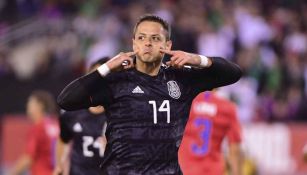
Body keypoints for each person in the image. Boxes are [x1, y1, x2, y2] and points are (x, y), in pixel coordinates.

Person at [57, 14, 242, 174]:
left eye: (155, 38)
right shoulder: (116, 80)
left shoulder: (182, 78)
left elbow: (233, 73)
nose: (147, 43)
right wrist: (106, 67)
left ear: (167, 44)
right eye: (142, 37)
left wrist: (197, 59)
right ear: (134, 43)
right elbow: (66, 100)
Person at [53, 58, 109, 175]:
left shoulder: (120, 114)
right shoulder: (72, 112)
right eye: (96, 77)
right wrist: (60, 165)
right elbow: (63, 140)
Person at [178, 91, 242, 175]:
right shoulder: (227, 108)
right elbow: (235, 151)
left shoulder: (184, 102)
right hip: (212, 170)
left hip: (185, 169)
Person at [10, 90, 59, 175]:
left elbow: (28, 158)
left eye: (30, 102)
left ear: (40, 106)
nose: (27, 105)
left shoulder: (38, 128)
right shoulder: (55, 125)